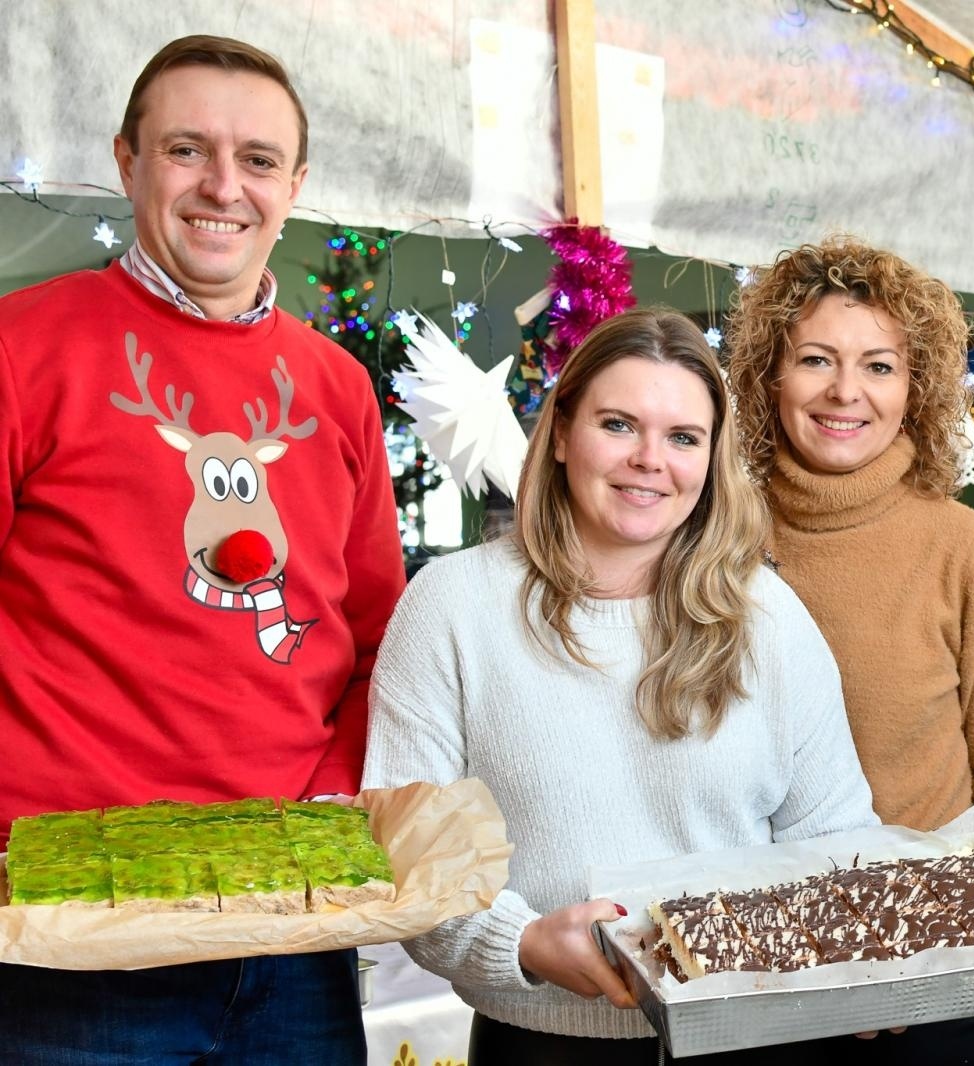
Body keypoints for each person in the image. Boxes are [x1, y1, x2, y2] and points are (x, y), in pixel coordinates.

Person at [0, 35, 404, 1061]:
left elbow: (376, 635)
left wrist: (331, 793)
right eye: (187, 150)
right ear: (128, 161)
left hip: (292, 925)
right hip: (74, 927)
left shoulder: (337, 387)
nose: (224, 186)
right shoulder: (21, 345)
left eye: (258, 160)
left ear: (295, 184)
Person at [363, 308, 878, 1065]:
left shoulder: (768, 616)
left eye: (682, 438)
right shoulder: (452, 607)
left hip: (752, 1038)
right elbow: (406, 854)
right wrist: (527, 942)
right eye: (617, 424)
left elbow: (836, 837)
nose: (650, 459)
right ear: (563, 432)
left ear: (710, 460)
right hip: (542, 1044)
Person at [726, 236, 974, 1064]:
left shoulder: (973, 556)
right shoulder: (710, 541)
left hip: (929, 976)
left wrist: (913, 959)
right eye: (816, 360)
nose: (844, 392)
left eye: (879, 366)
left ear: (917, 389)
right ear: (767, 378)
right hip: (751, 976)